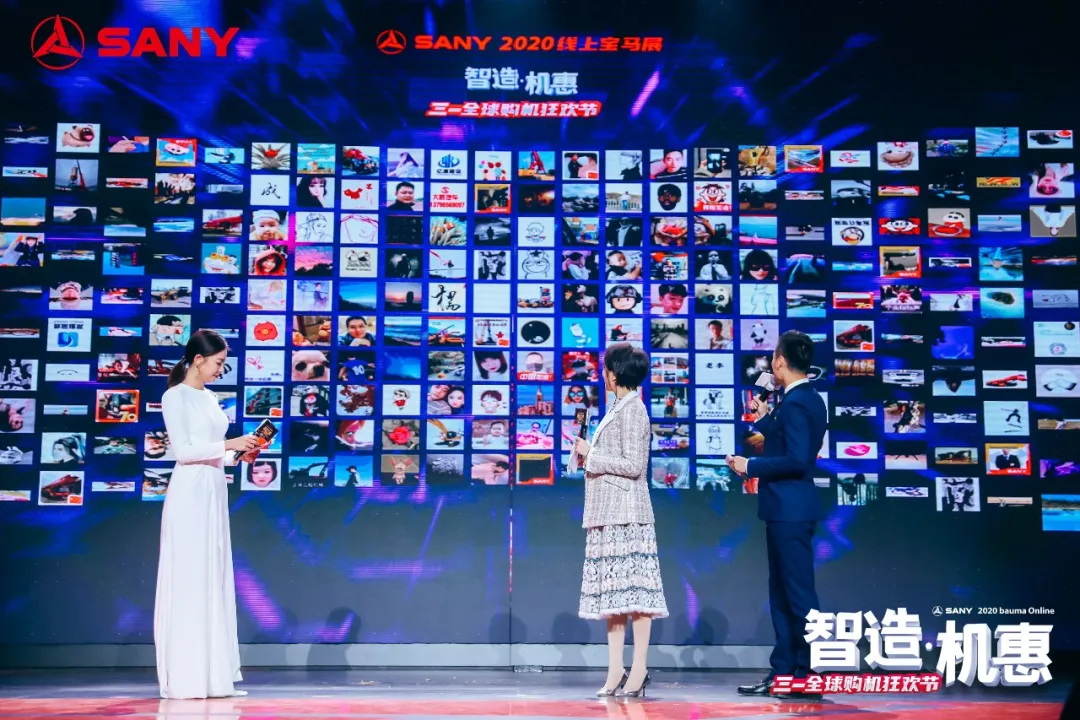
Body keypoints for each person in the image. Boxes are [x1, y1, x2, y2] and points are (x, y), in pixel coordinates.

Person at [155, 330, 258, 699]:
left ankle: (213, 677)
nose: (220, 369)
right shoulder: (175, 396)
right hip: (190, 491)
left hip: (213, 488)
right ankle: (188, 678)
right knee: (191, 577)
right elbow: (184, 452)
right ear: (197, 360)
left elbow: (212, 451)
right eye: (217, 362)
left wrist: (238, 455)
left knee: (212, 576)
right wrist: (229, 444)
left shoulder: (210, 397)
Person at [726, 330, 827, 700]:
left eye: (773, 358)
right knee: (784, 593)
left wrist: (749, 465)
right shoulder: (802, 398)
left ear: (780, 362)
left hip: (790, 509)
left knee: (797, 594)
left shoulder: (799, 402)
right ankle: (785, 672)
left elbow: (797, 459)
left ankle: (807, 673)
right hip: (786, 508)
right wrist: (766, 418)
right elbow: (790, 442)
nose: (771, 364)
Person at [571, 343, 667, 698]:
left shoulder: (634, 410)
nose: (603, 374)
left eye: (606, 368)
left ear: (615, 372)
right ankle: (615, 670)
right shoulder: (617, 407)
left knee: (636, 594)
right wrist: (586, 456)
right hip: (606, 512)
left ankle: (639, 668)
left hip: (628, 515)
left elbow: (634, 465)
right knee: (613, 596)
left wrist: (592, 454)